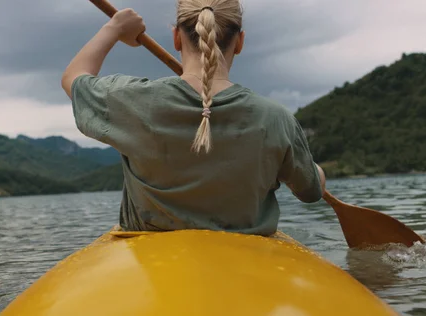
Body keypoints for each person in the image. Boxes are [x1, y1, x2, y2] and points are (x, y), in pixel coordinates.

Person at [61, 0, 326, 236]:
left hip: (153, 271)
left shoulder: (133, 101)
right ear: (241, 41)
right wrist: (316, 173)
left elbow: (73, 78)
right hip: (246, 265)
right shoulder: (276, 118)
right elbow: (311, 191)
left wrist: (115, 28)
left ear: (176, 38)